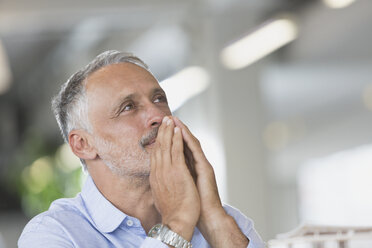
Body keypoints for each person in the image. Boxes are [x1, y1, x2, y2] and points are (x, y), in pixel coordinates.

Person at [18, 50, 265, 248]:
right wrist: (176, 223)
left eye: (159, 99)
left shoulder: (225, 220)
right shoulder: (54, 235)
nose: (158, 115)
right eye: (128, 107)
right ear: (83, 145)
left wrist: (213, 219)